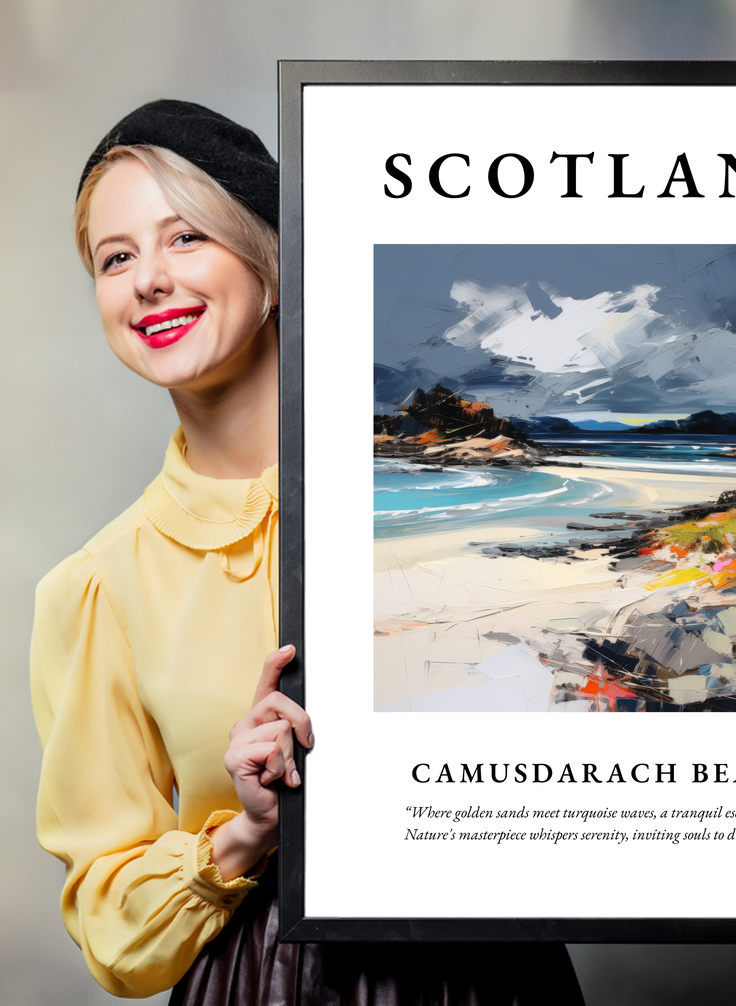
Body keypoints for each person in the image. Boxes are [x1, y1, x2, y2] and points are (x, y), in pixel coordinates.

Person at [30, 100, 585, 1004]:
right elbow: (110, 925)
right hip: (263, 981)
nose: (148, 281)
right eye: (116, 257)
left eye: (186, 239)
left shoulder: (442, 503)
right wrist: (245, 832)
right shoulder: (98, 586)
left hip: (493, 972)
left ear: (273, 264)